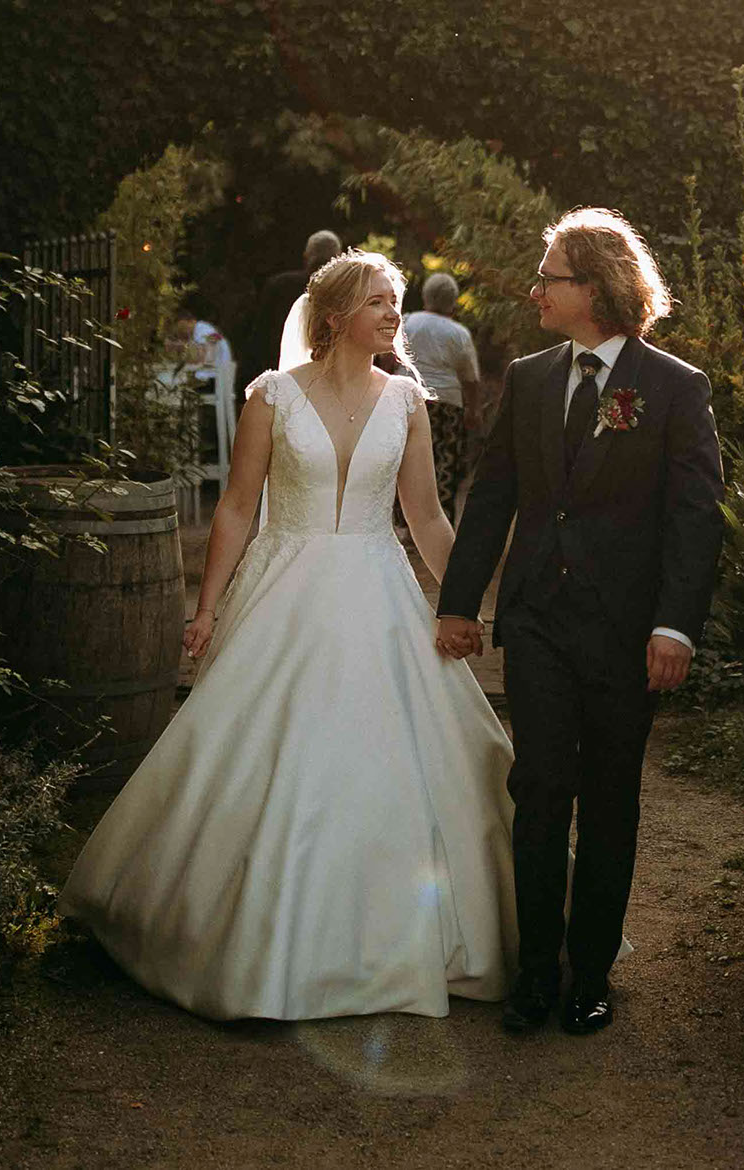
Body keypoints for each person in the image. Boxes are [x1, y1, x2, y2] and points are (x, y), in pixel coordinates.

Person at [61, 251, 518, 1019]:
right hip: (284, 592)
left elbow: (427, 516)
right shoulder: (271, 397)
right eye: (378, 301)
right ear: (336, 316)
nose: (393, 314)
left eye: (395, 300)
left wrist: (463, 603)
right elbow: (237, 508)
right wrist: (205, 609)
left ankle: (392, 940)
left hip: (378, 592)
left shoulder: (407, 402)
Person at [436, 208, 724, 1038]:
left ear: (593, 288)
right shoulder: (528, 379)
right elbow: (492, 496)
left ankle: (590, 975)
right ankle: (535, 973)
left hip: (626, 633)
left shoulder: (675, 387)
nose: (535, 291)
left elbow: (696, 518)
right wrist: (459, 602)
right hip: (536, 622)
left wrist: (675, 627)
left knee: (608, 798)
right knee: (538, 790)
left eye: (549, 278)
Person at [401, 271, 483, 516]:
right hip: (446, 407)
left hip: (407, 401)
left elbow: (387, 360)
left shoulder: (406, 322)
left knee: (405, 461)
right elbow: (470, 378)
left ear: (425, 296)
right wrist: (474, 410)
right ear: (453, 301)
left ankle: (403, 519)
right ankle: (439, 518)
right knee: (443, 465)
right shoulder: (458, 333)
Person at [254, 229, 341, 380]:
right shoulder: (344, 291)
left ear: (306, 255)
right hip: (332, 374)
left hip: (280, 372)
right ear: (338, 256)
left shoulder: (279, 285)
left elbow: (261, 335)